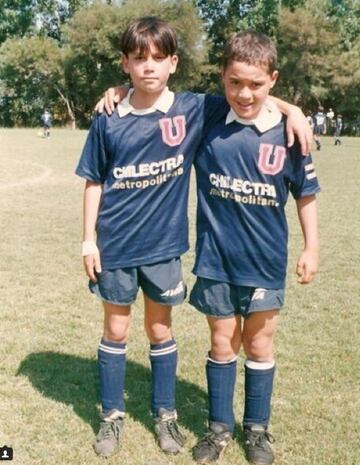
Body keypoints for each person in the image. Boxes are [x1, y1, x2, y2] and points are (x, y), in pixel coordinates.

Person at [81, 16, 312, 460]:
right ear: (125, 64)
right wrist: (87, 241)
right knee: (115, 328)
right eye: (137, 58)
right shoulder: (110, 115)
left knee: (160, 328)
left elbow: (246, 91)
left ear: (173, 62)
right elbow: (93, 180)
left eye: (157, 58)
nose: (148, 67)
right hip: (114, 246)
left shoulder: (193, 108)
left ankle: (165, 415)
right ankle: (111, 416)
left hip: (164, 248)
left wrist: (292, 109)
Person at [188, 31, 320, 465]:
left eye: (256, 84)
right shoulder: (208, 115)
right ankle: (219, 428)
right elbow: (156, 92)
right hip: (216, 260)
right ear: (222, 79)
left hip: (264, 261)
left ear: (273, 79)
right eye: (234, 83)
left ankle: (257, 430)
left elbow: (305, 194)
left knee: (260, 346)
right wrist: (118, 90)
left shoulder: (288, 133)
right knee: (222, 342)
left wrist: (311, 248)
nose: (244, 93)